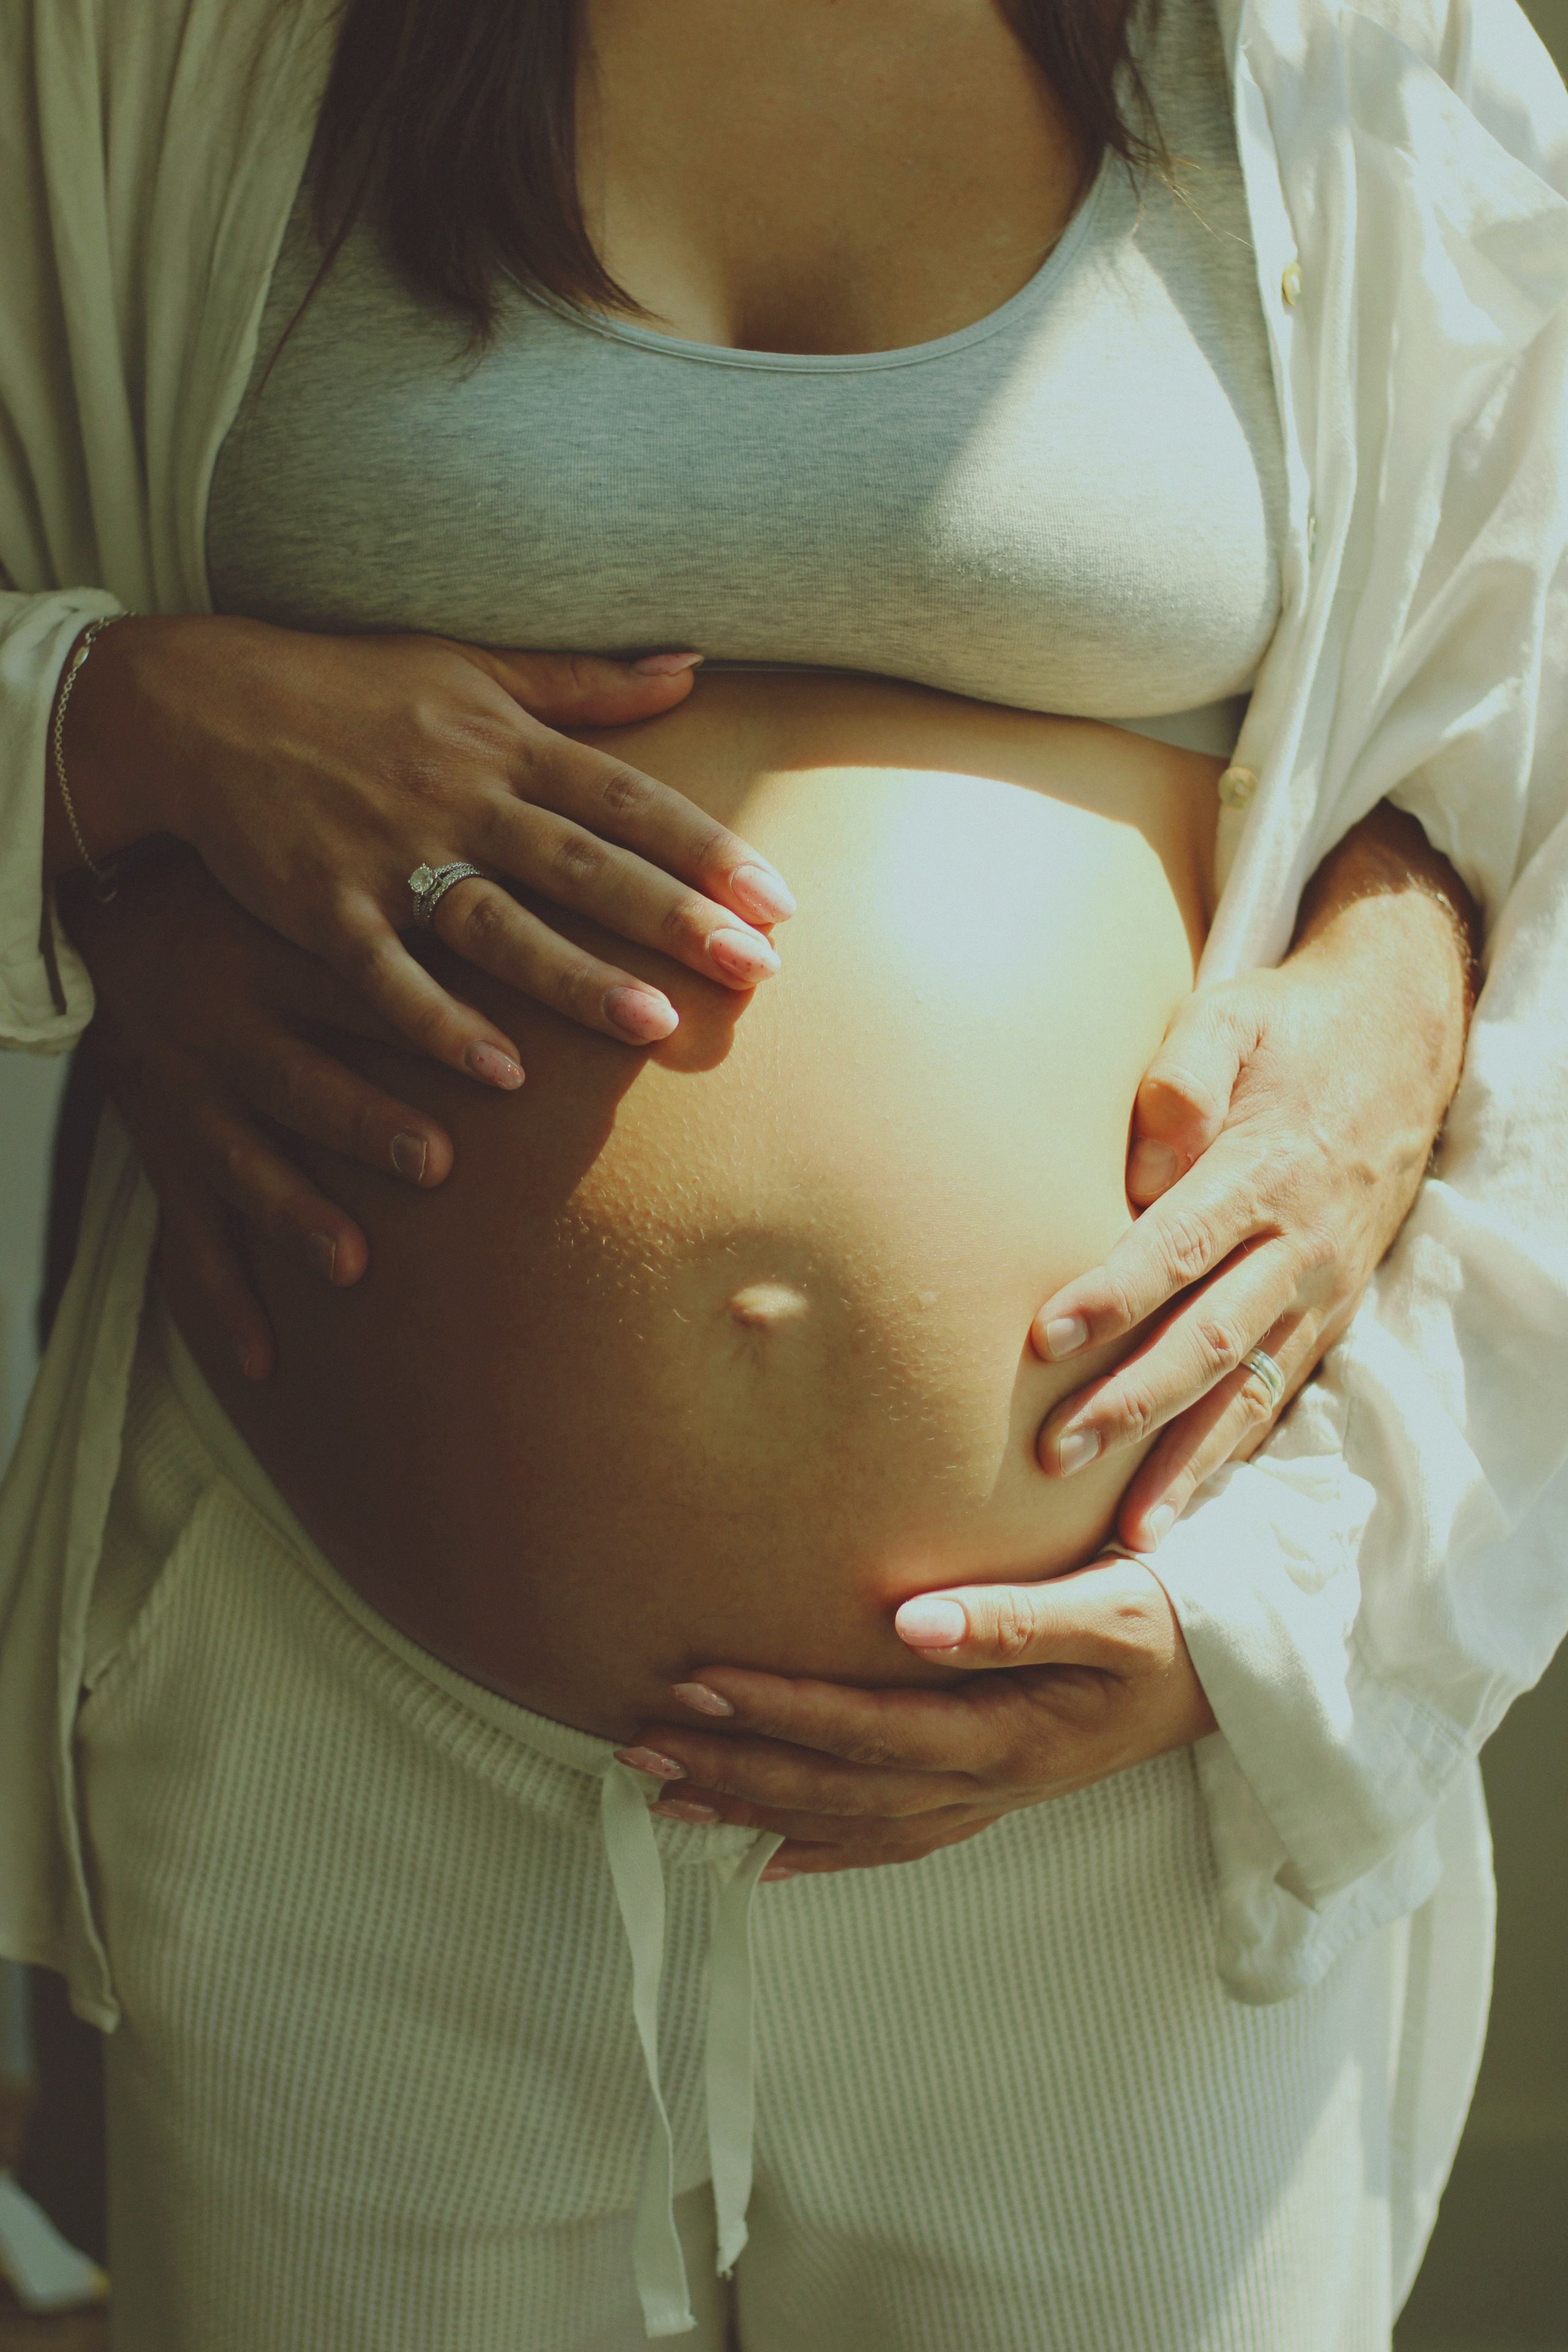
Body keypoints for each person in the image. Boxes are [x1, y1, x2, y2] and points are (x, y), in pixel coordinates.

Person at [1, 1, 1566, 2346]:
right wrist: (110, 737)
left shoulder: (1366, 63)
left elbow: (1530, 732)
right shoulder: (164, 48)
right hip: (349, 1758)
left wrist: (1418, 949)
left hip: (1112, 1796)